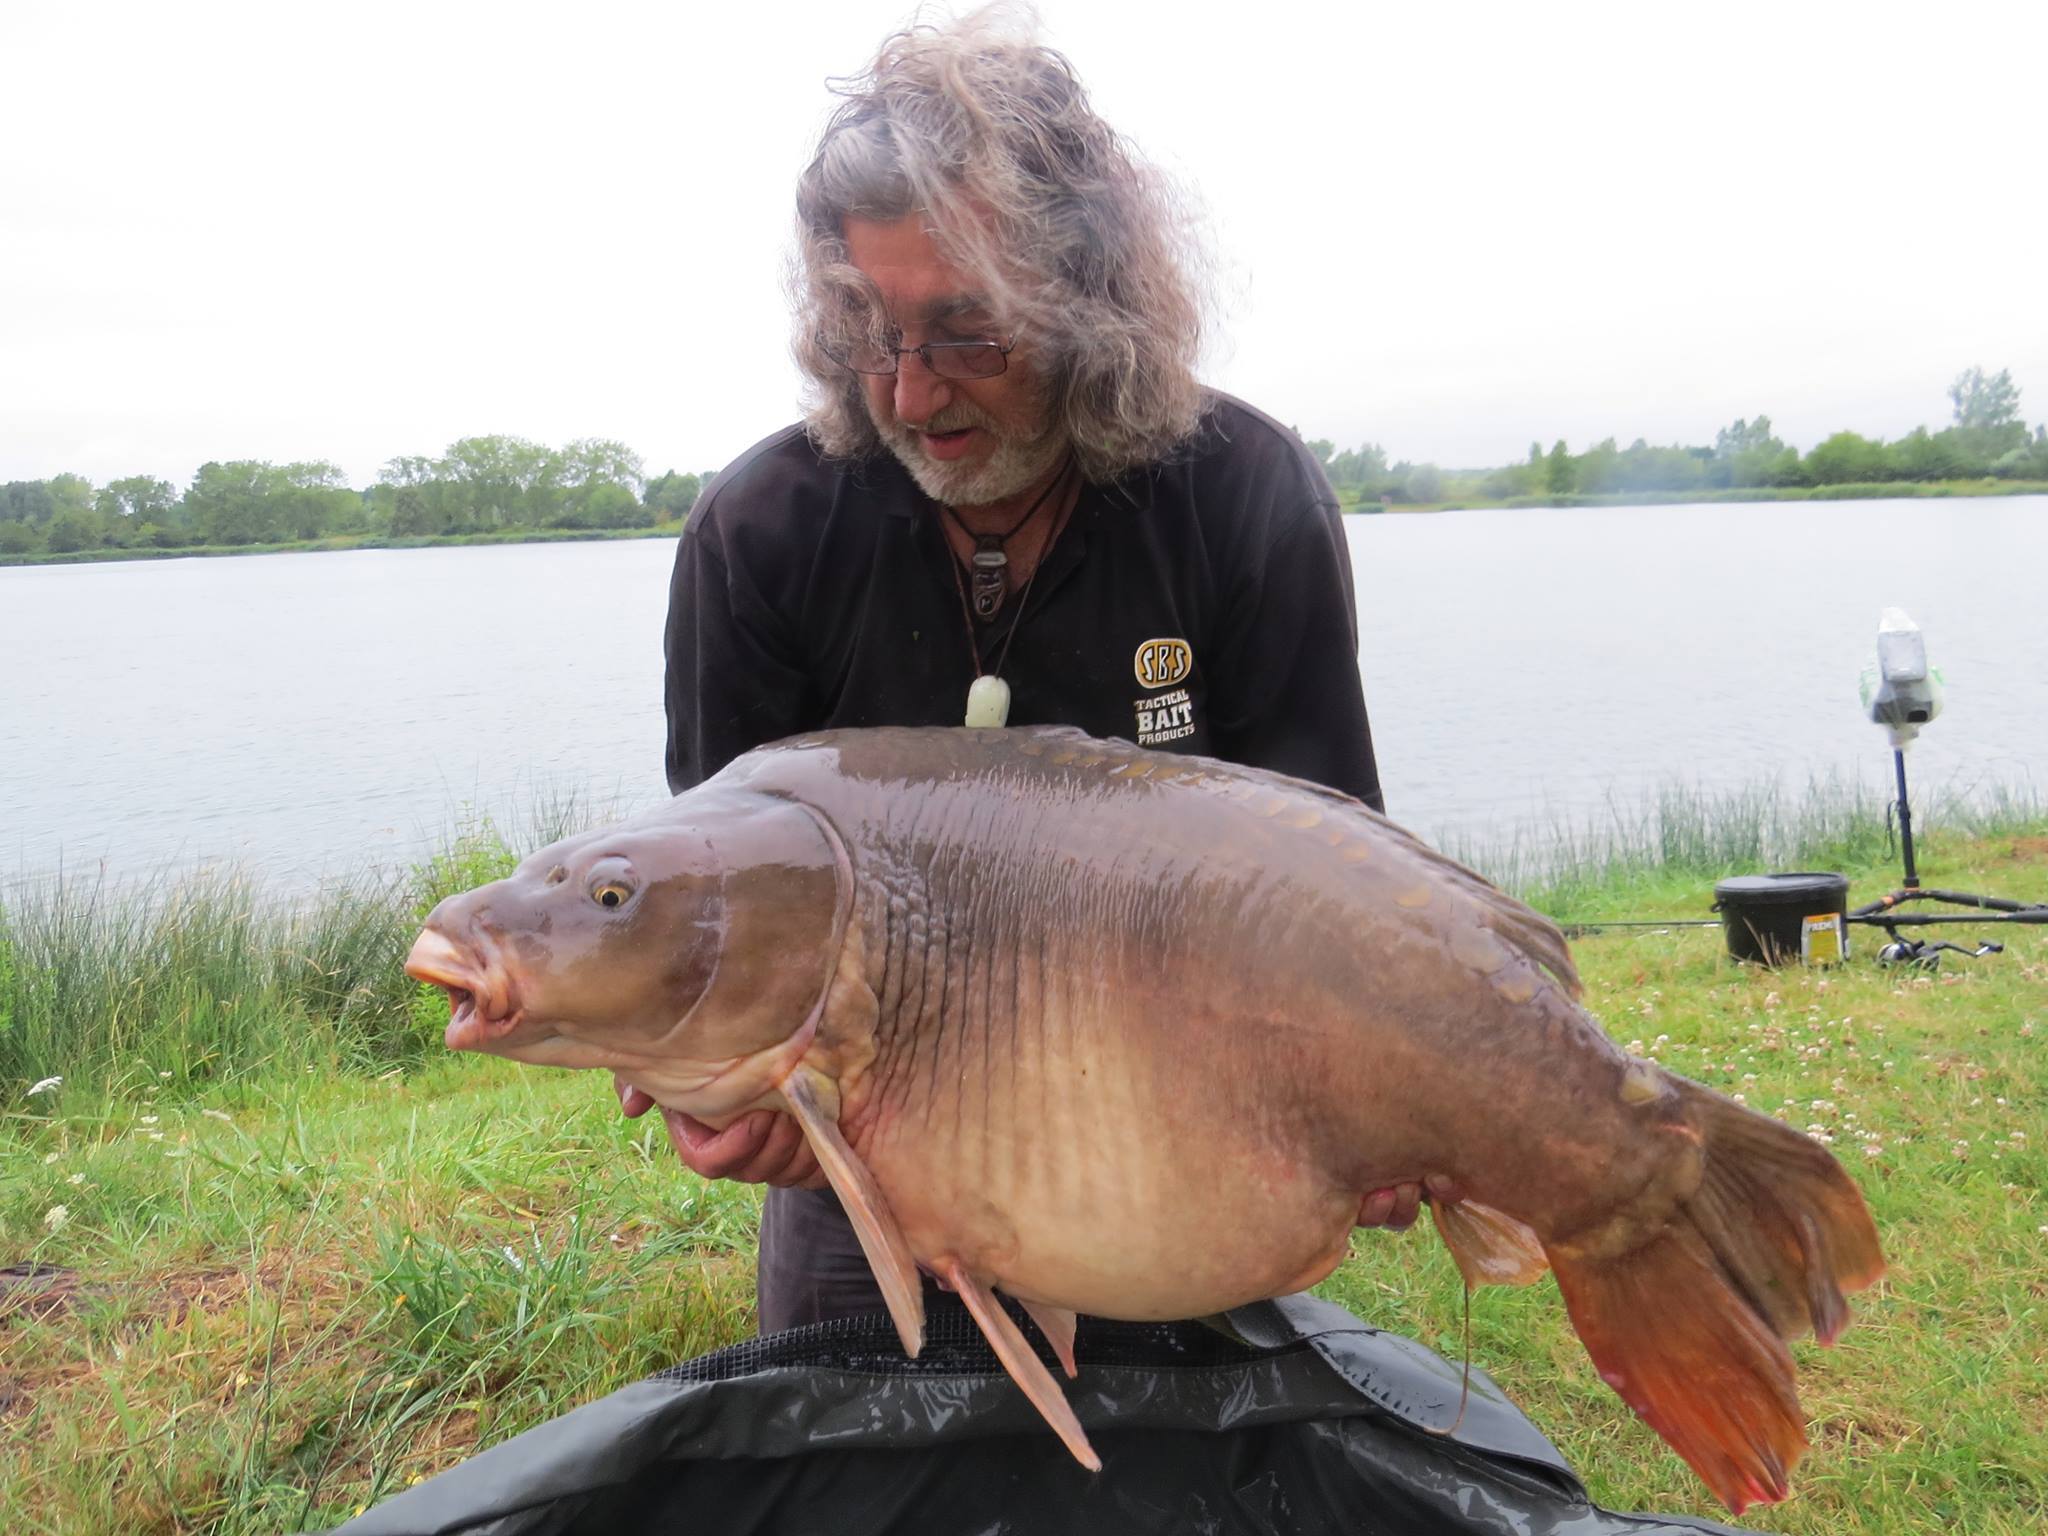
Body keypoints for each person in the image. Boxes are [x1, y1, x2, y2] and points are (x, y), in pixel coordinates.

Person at [615, 11, 1432, 1335]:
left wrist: (1378, 1075)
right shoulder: (758, 534)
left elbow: (1337, 873)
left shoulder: (1241, 496)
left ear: (1088, 307)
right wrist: (742, 1096)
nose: (912, 393)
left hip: (1178, 1149)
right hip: (867, 1184)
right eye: (869, 328)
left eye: (965, 332)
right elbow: (716, 910)